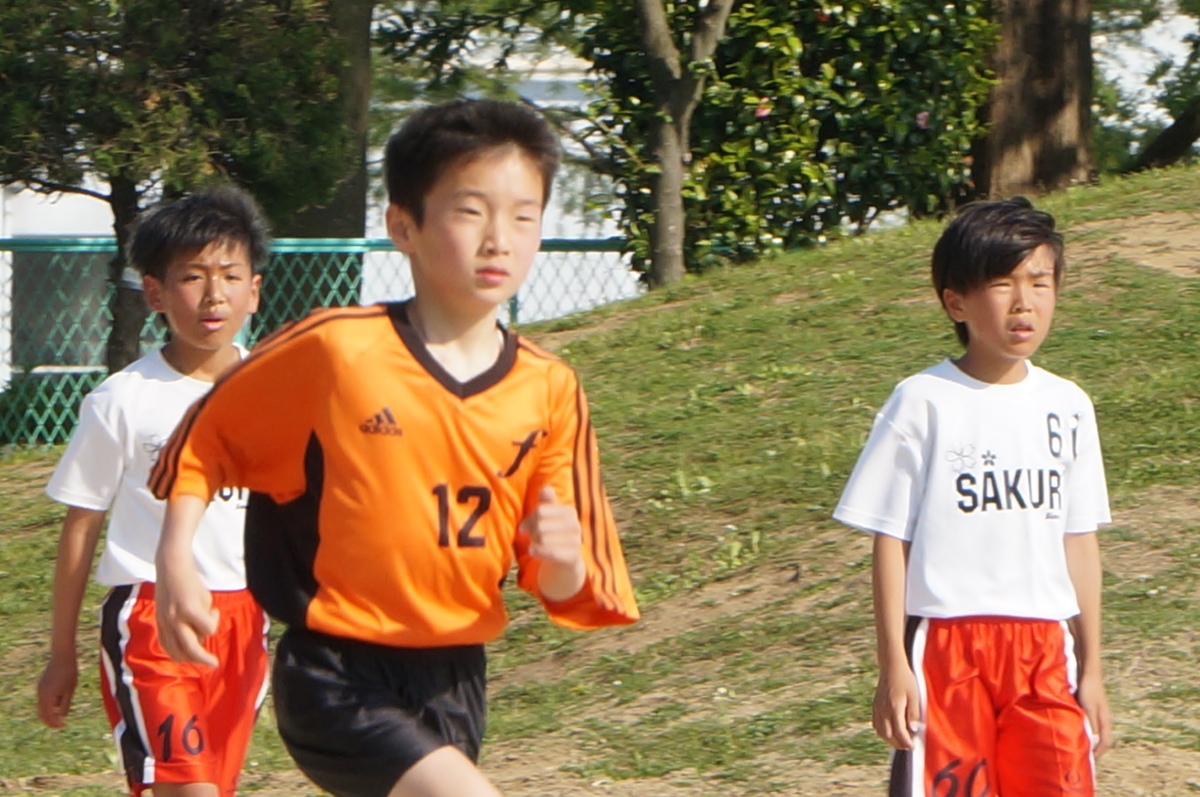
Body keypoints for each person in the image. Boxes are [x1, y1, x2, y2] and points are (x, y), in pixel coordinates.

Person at [149, 98, 640, 797]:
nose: (498, 239)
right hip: (337, 673)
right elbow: (206, 438)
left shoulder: (550, 388)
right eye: (470, 211)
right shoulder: (337, 348)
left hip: (455, 678)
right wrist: (175, 561)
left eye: (523, 216)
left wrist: (562, 559)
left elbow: (563, 586)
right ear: (403, 225)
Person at [833, 197, 1113, 796]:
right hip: (948, 649)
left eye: (1040, 282)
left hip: (1045, 649)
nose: (1024, 302)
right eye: (1002, 284)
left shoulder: (1068, 405)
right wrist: (893, 665)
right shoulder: (921, 401)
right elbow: (890, 540)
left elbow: (1079, 540)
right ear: (956, 302)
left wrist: (1092, 669)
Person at [37, 186, 271, 797]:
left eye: (230, 276)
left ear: (254, 289)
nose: (214, 295)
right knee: (186, 789)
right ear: (156, 293)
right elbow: (82, 523)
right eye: (192, 277)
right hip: (149, 617)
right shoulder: (122, 399)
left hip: (245, 619)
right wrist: (62, 653)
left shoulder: (275, 390)